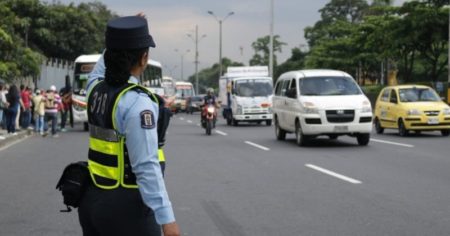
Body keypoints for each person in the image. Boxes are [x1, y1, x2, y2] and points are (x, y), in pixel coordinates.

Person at [78, 15, 180, 236]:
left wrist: (119, 39)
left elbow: (99, 68)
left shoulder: (95, 88)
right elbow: (146, 166)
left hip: (92, 199)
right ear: (144, 58)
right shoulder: (137, 102)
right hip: (127, 208)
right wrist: (167, 220)